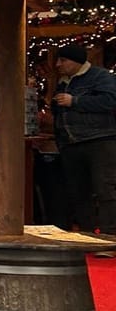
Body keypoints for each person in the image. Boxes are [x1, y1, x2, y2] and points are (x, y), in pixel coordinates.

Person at [51, 43, 116, 233]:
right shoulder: (64, 81)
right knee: (79, 193)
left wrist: (75, 101)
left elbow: (111, 101)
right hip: (71, 143)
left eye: (63, 60)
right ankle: (87, 235)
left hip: (100, 140)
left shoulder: (100, 76)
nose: (58, 64)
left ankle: (109, 236)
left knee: (106, 190)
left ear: (76, 61)